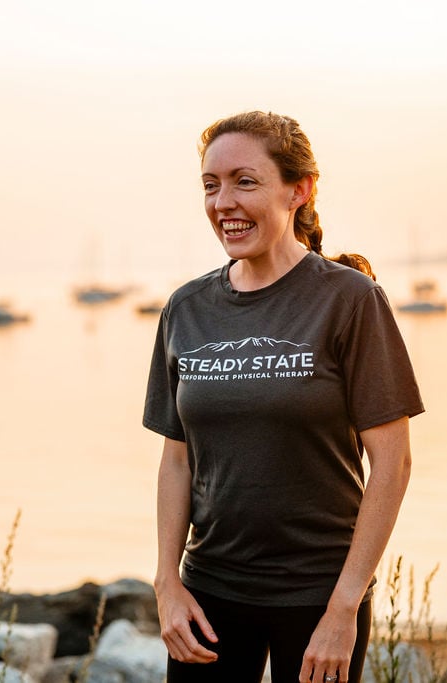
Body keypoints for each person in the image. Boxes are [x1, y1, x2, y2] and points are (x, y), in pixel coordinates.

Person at [142, 111, 424, 683]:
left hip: (318, 595)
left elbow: (392, 464)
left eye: (245, 181)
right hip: (209, 595)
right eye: (210, 184)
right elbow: (176, 459)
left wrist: (344, 608)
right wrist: (166, 583)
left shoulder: (350, 300)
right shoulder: (186, 309)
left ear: (300, 189)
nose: (223, 201)